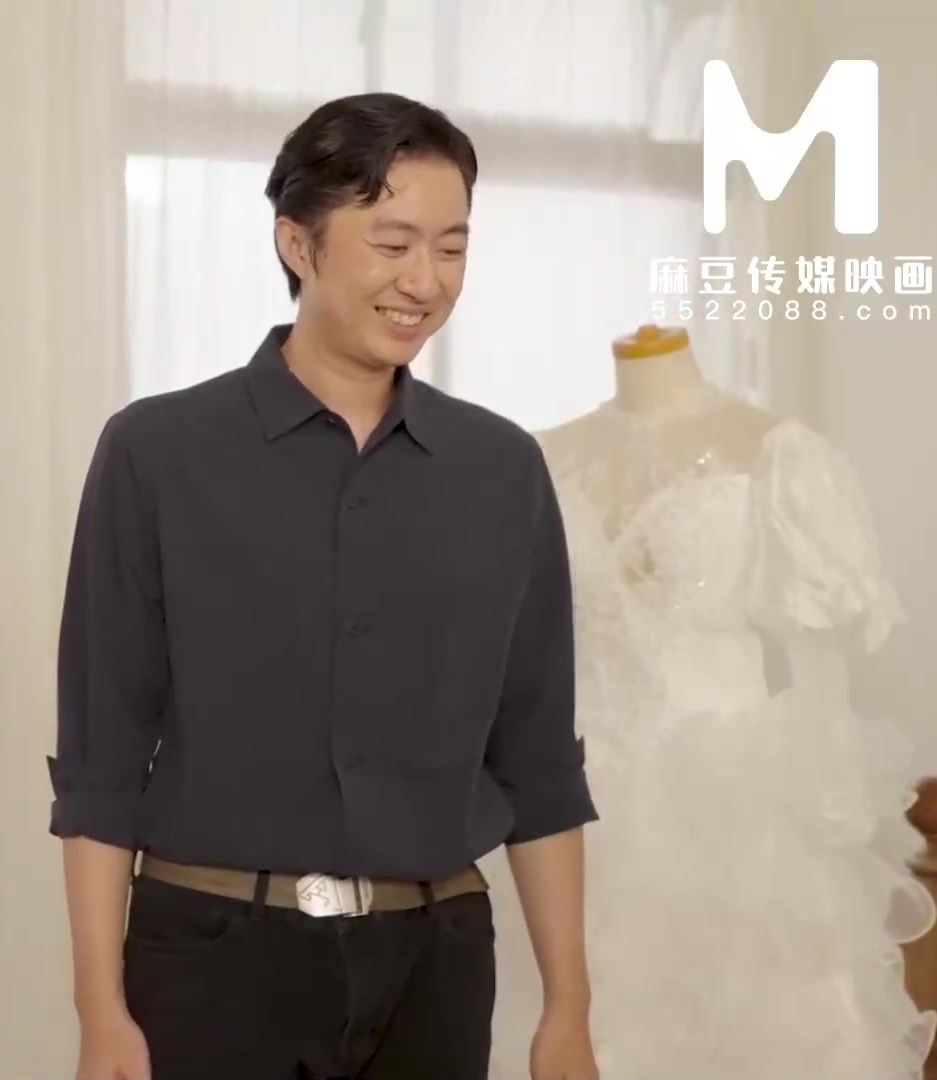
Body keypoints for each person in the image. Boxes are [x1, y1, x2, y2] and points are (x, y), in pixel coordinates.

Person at [49, 93, 599, 1080]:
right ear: (297, 243)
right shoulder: (157, 453)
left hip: (437, 967)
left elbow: (538, 760)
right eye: (392, 244)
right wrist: (100, 1009)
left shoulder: (502, 470)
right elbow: (102, 758)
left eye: (451, 248)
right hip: (213, 959)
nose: (424, 281)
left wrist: (569, 1008)